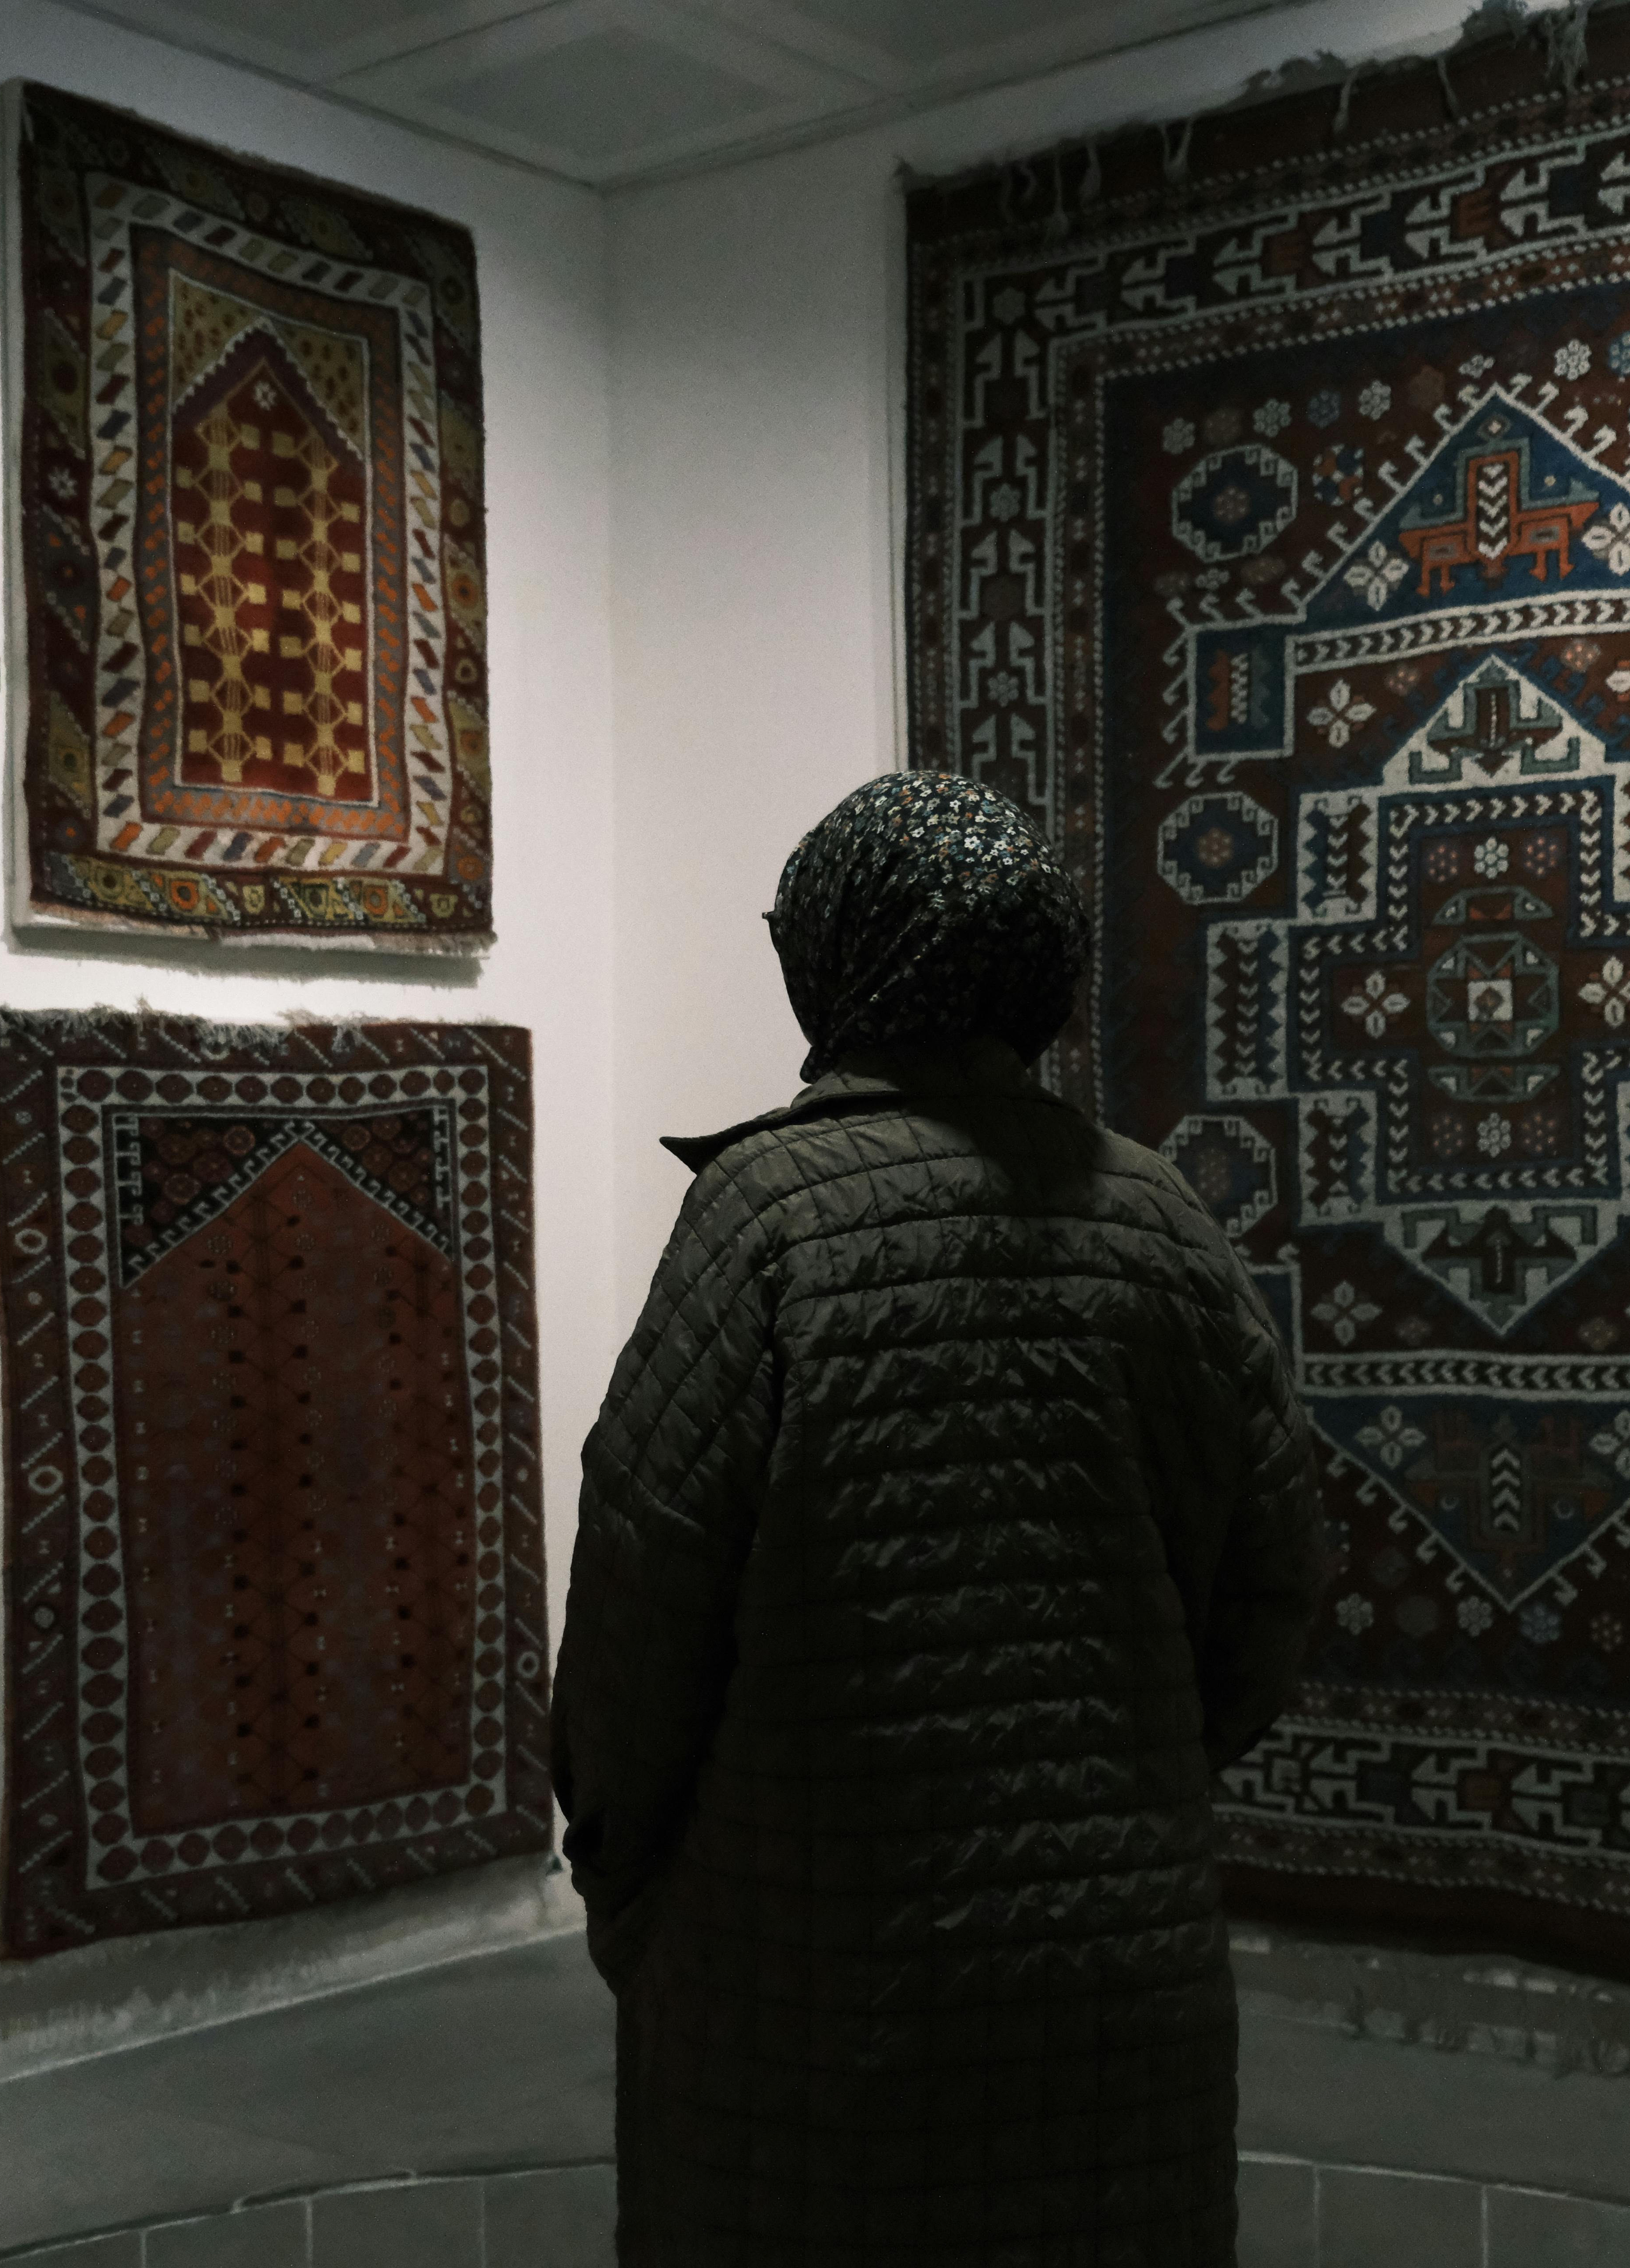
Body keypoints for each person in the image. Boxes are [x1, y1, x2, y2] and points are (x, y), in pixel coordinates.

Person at [552, 771, 1328, 2266]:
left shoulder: (771, 1214)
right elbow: (1273, 1581)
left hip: (816, 1978)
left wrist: (633, 1884)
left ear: (842, 953)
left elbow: (643, 1589)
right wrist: (1127, 1775)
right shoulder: (1160, 1213)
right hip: (1122, 1976)